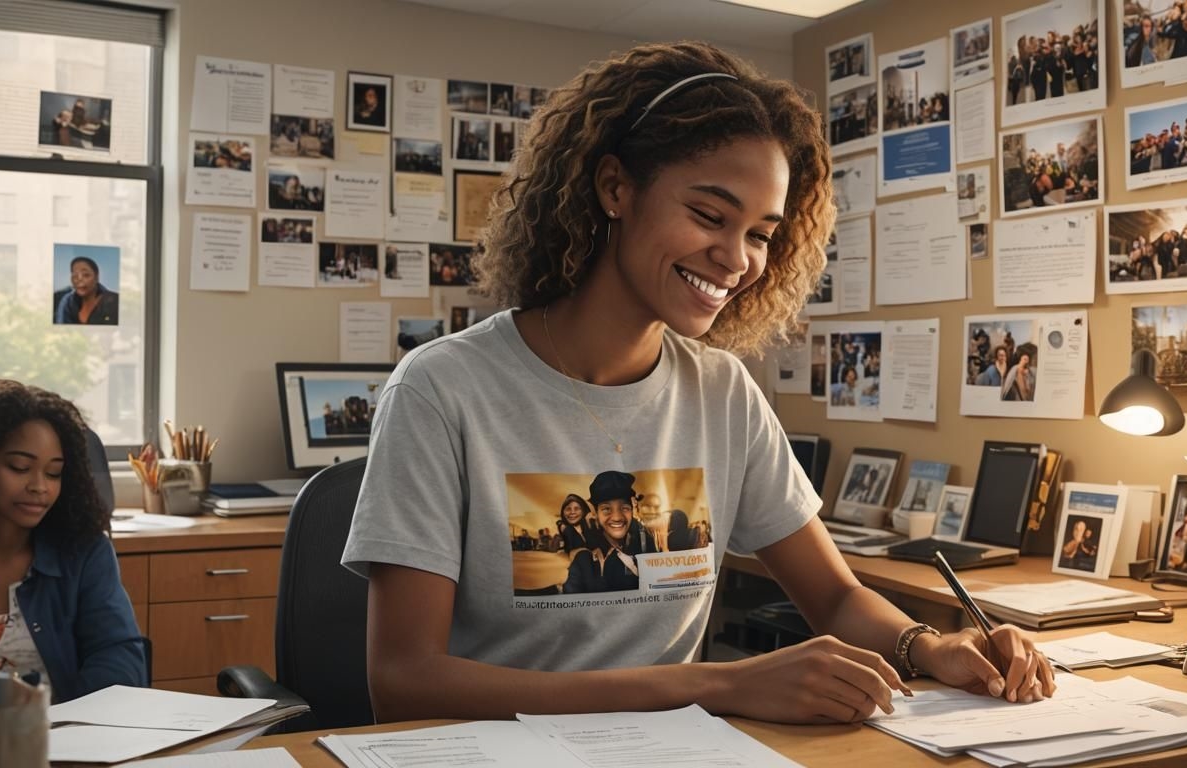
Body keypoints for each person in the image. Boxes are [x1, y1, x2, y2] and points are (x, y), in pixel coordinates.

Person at [341, 41, 1054, 726]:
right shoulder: (442, 389)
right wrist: (714, 685)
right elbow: (404, 681)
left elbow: (836, 599)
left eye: (761, 234)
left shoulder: (723, 392)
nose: (737, 260)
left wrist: (928, 646)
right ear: (615, 188)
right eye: (710, 216)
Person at [0, 380, 146, 702]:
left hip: (59, 742)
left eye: (54, 473)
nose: (40, 486)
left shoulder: (83, 552)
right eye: (20, 467)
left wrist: (80, 726)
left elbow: (118, 658)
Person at [54, 256, 119, 325]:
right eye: (75, 275)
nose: (79, 279)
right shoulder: (67, 304)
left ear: (97, 277)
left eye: (86, 275)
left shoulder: (114, 301)